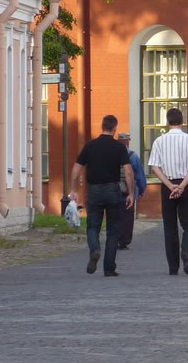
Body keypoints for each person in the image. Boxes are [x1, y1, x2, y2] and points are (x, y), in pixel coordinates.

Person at [69, 114, 133, 277]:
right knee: (113, 229)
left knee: (92, 226)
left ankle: (95, 249)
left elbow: (76, 170)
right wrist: (131, 193)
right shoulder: (119, 147)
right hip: (113, 190)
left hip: (95, 190)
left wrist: (74, 190)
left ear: (102, 127)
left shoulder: (90, 146)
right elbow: (128, 171)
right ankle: (109, 268)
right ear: (114, 128)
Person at [149, 108, 188, 275]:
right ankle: (186, 251)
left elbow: (154, 167)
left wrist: (170, 185)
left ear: (168, 121)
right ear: (182, 121)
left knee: (170, 226)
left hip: (168, 186)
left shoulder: (159, 141)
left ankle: (173, 267)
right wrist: (182, 186)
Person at [116, 132, 147, 250]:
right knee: (127, 217)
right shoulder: (133, 156)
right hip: (128, 192)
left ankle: (114, 238)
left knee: (114, 215)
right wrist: (142, 189)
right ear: (128, 141)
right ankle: (124, 241)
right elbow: (139, 175)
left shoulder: (111, 155)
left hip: (112, 191)